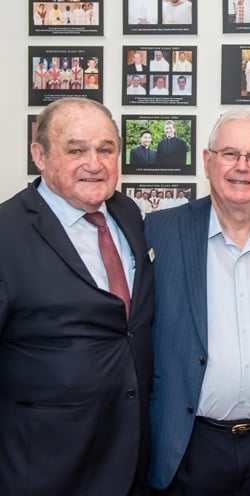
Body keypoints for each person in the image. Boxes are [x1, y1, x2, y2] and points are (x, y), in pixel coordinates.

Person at [146, 108, 250, 496]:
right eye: (229, 154)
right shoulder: (158, 232)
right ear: (207, 161)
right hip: (189, 444)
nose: (242, 167)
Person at [0, 97, 154, 495]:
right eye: (75, 150)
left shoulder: (127, 215)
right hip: (46, 464)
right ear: (39, 154)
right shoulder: (6, 233)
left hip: (131, 452)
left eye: (106, 149)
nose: (94, 163)